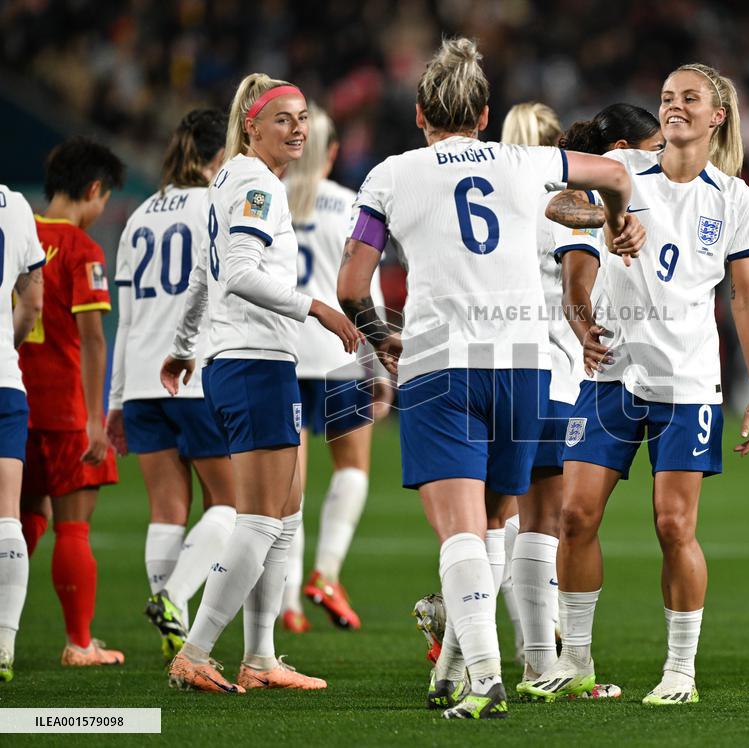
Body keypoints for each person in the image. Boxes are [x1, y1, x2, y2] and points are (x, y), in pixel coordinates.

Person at [337, 37, 641, 719]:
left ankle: (485, 677)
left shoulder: (391, 173)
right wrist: (620, 227)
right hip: (527, 368)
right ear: (484, 112)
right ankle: (456, 672)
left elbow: (353, 282)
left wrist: (381, 335)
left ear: (420, 113)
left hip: (443, 365)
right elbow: (619, 178)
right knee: (498, 521)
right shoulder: (527, 161)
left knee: (461, 534)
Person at [521, 63, 749, 706]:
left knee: (672, 526)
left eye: (689, 98)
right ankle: (575, 661)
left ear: (717, 116)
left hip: (688, 382)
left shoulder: (734, 199)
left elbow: (746, 299)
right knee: (576, 516)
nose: (674, 107)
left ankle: (680, 671)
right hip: (611, 374)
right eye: (666, 98)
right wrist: (609, 216)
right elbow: (558, 197)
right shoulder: (627, 171)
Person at [160, 73, 362, 694]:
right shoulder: (254, 182)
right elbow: (241, 274)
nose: (297, 128)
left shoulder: (232, 180)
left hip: (246, 358)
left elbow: (203, 271)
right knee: (258, 520)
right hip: (254, 361)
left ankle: (261, 657)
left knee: (287, 512)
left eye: (303, 118)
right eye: (283, 119)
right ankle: (195, 652)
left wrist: (184, 344)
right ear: (252, 124)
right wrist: (318, 309)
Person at [506, 102, 664, 700]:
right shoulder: (586, 201)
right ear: (622, 148)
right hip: (557, 375)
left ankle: (482, 647)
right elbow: (576, 278)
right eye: (652, 146)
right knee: (545, 520)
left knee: (508, 518)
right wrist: (584, 330)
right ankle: (540, 661)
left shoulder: (526, 188)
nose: (660, 155)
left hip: (500, 366)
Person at [105, 109, 237, 660]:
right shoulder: (217, 205)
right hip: (196, 372)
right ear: (218, 157)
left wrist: (115, 401)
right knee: (233, 504)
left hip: (140, 380)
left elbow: (128, 316)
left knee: (166, 509)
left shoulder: (138, 217)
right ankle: (176, 602)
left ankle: (170, 622)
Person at [280, 103, 391, 633]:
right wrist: (383, 361)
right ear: (333, 153)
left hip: (281, 354)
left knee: (289, 485)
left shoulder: (270, 201)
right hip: (340, 355)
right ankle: (326, 573)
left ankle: (288, 604)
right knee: (351, 470)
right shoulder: (351, 205)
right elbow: (361, 288)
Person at [18, 137, 125, 667]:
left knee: (17, 520)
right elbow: (94, 339)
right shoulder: (83, 251)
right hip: (63, 410)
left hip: (13, 402)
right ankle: (80, 643)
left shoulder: (16, 234)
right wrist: (94, 418)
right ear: (93, 190)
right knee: (72, 525)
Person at [0, 185, 45, 681]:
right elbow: (32, 305)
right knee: (7, 516)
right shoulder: (14, 205)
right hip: (4, 384)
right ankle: (4, 648)